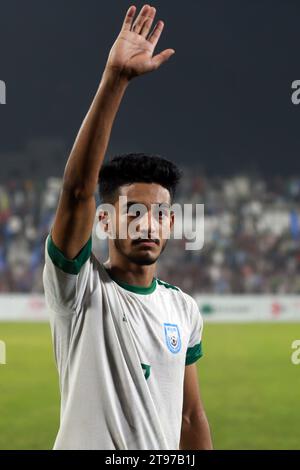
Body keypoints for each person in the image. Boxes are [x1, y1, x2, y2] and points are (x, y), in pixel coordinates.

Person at [43, 3, 212, 450]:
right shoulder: (78, 289)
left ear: (172, 223)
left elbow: (190, 415)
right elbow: (77, 191)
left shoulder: (184, 311)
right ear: (104, 219)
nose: (148, 224)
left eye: (159, 213)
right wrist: (115, 80)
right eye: (133, 211)